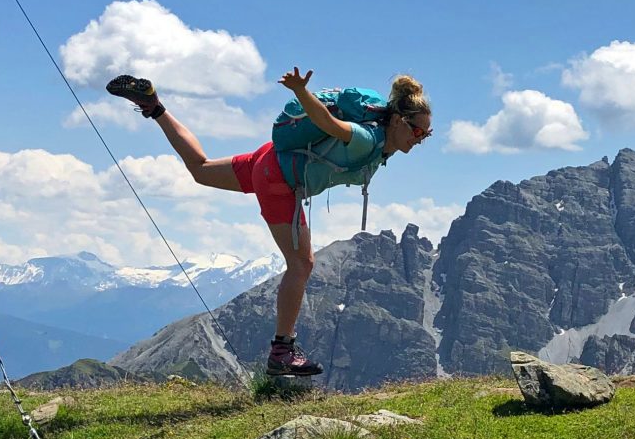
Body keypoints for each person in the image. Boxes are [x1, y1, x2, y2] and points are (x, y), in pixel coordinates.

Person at [105, 67, 433, 378]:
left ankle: (155, 106)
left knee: (201, 169)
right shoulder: (366, 138)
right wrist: (302, 92)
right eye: (417, 130)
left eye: (427, 134)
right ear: (398, 122)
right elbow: (328, 122)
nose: (420, 139)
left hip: (272, 157)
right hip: (278, 180)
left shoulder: (381, 140)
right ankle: (282, 352)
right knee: (302, 263)